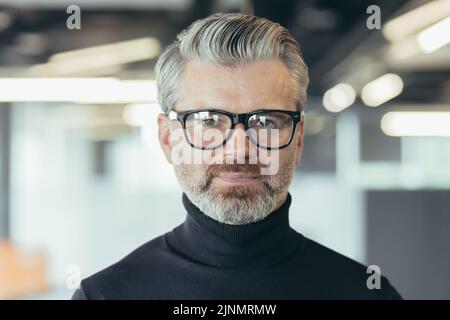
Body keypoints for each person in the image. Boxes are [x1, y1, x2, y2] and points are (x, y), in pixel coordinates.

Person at [72, 12, 401, 300]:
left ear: (298, 140)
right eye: (209, 121)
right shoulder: (106, 296)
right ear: (167, 138)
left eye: (267, 121)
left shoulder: (365, 294)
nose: (240, 149)